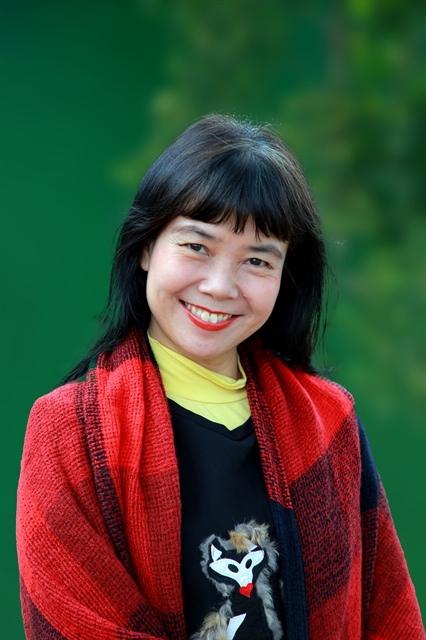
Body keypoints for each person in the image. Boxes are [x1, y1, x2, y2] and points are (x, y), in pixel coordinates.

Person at [17, 115, 423, 640]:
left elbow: (390, 615)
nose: (220, 286)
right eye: (197, 246)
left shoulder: (329, 422)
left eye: (257, 260)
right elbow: (76, 624)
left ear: (285, 277)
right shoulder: (68, 431)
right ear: (146, 247)